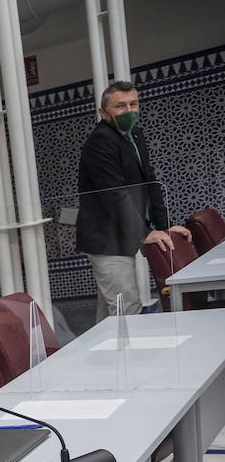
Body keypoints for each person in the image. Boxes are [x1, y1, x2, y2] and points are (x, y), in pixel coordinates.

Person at [76, 81, 192, 320]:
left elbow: (151, 182)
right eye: (120, 106)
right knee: (126, 311)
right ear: (103, 112)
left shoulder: (134, 134)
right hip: (106, 238)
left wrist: (163, 226)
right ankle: (126, 357)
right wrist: (143, 233)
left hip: (122, 231)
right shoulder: (100, 141)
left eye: (133, 104)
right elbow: (113, 193)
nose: (129, 111)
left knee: (110, 313)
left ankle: (101, 357)